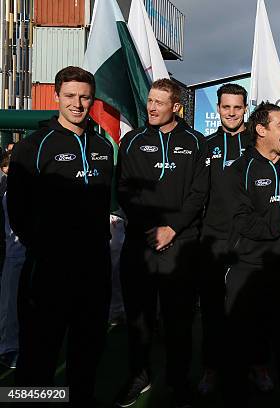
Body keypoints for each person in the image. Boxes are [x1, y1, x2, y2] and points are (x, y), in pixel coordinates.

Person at [7, 66, 114, 406]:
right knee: (39, 357)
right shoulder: (34, 146)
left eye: (84, 96)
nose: (77, 104)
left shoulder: (103, 146)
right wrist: (47, 248)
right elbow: (18, 210)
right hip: (49, 271)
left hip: (94, 269)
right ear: (56, 96)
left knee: (87, 350)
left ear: (92, 99)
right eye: (70, 96)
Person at [116, 78, 209, 408]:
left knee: (179, 320)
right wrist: (150, 228)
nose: (152, 107)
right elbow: (124, 190)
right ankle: (139, 376)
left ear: (176, 106)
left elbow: (199, 194)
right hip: (140, 245)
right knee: (139, 319)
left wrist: (172, 228)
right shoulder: (131, 141)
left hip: (181, 247)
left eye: (159, 102)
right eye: (150, 101)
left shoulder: (196, 143)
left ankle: (178, 381)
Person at [223, 102, 280, 408]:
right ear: (261, 130)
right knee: (241, 343)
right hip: (249, 268)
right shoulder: (239, 170)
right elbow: (239, 222)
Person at [198, 83, 263, 395]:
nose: (232, 113)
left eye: (238, 108)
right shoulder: (205, 145)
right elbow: (198, 194)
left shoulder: (258, 146)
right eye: (226, 107)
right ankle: (211, 368)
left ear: (245, 109)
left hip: (251, 240)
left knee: (252, 307)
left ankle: (256, 364)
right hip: (215, 239)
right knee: (212, 309)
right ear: (219, 109)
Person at [0, 151, 23, 369]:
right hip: (14, 252)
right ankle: (8, 347)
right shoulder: (8, 188)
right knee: (10, 300)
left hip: (28, 251)